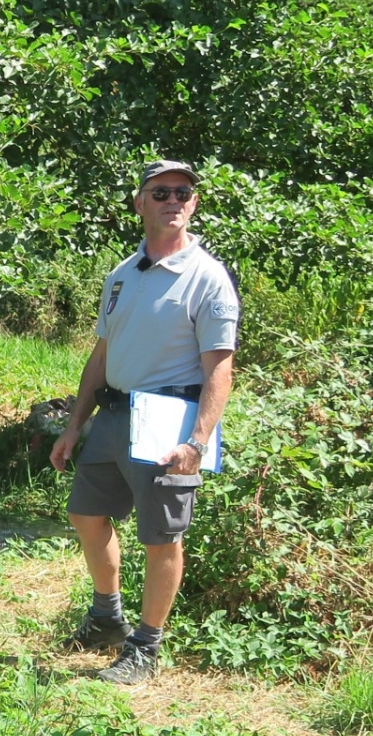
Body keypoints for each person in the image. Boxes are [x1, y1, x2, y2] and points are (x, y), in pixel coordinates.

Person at [48, 160, 239, 685]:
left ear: (193, 204)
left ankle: (146, 648)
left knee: (162, 538)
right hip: (113, 414)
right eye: (160, 193)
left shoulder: (208, 278)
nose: (173, 200)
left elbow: (220, 370)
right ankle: (106, 617)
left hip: (168, 421)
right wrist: (73, 425)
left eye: (183, 192)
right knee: (86, 515)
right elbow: (101, 354)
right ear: (140, 204)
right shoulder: (122, 274)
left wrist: (197, 442)